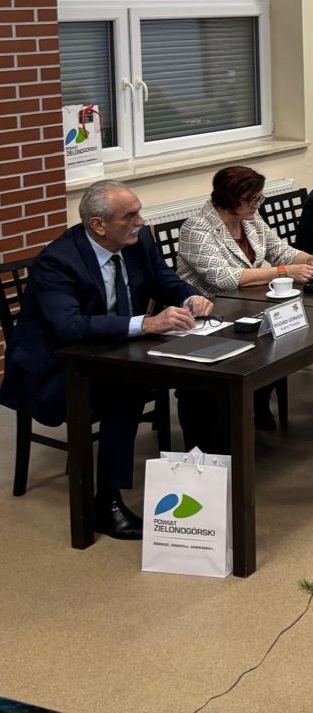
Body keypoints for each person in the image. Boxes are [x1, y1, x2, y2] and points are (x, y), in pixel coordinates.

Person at [0, 181, 212, 540]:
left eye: (139, 212)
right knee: (124, 391)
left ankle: (203, 474)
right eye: (130, 216)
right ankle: (106, 503)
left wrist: (190, 297)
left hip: (114, 349)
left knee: (200, 372)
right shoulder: (57, 261)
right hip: (56, 367)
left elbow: (163, 279)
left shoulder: (137, 241)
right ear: (98, 224)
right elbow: (70, 327)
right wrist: (146, 323)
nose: (141, 222)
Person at [177, 166, 313, 435]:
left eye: (259, 198)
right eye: (251, 200)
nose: (257, 205)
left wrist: (310, 259)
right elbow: (223, 278)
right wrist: (283, 272)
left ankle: (259, 398)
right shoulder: (197, 228)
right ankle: (242, 407)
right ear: (229, 197)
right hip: (213, 315)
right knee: (270, 339)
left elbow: (280, 251)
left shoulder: (251, 219)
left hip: (250, 305)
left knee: (288, 336)